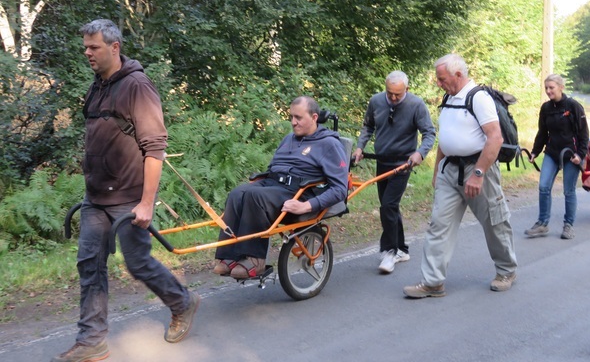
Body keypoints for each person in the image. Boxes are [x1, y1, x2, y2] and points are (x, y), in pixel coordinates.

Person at [52, 20, 200, 362]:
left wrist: (147, 203)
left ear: (114, 48)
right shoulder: (98, 85)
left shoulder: (137, 86)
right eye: (85, 47)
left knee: (138, 263)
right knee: (90, 265)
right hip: (96, 199)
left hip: (129, 199)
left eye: (94, 47)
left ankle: (183, 302)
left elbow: (155, 147)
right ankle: (92, 340)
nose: (87, 52)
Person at [403, 54, 518, 298]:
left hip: (478, 170)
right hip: (449, 171)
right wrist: (437, 171)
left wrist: (478, 174)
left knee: (494, 223)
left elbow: (494, 138)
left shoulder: (479, 98)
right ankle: (433, 282)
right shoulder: (449, 97)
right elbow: (446, 136)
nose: (438, 83)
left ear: (458, 75)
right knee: (438, 225)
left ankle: (506, 270)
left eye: (441, 78)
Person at [212, 96, 349, 279]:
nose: (293, 122)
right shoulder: (288, 139)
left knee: (255, 196)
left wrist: (306, 206)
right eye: (291, 117)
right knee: (238, 193)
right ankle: (228, 256)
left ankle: (255, 261)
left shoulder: (329, 144)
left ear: (314, 117)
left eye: (298, 118)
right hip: (275, 184)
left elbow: (339, 189)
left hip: (299, 192)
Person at [353, 70, 436, 274]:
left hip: (403, 163)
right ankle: (402, 249)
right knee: (389, 206)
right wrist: (360, 147)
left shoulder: (416, 105)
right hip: (382, 161)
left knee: (388, 206)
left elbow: (429, 133)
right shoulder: (376, 101)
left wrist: (420, 154)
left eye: (397, 94)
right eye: (389, 92)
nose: (392, 97)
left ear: (407, 89)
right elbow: (368, 126)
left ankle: (389, 251)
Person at [525, 74, 589, 240]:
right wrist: (535, 151)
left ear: (561, 87)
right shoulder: (546, 108)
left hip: (571, 154)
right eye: (546, 88)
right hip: (552, 152)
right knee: (544, 187)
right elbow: (542, 132)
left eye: (551, 87)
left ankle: (568, 226)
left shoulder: (573, 106)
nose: (548, 91)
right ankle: (542, 224)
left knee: (568, 191)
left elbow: (584, 134)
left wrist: (580, 154)